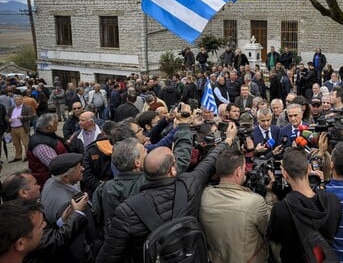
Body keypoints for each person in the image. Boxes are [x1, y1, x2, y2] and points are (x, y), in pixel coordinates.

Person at [95, 109, 237, 263]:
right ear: (138, 164)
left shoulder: (104, 190)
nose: (148, 148)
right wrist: (227, 141)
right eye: (145, 152)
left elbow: (108, 252)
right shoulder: (183, 185)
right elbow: (201, 164)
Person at [267, 148, 342, 263]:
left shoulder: (281, 209)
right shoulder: (333, 201)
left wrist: (270, 193)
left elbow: (274, 237)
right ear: (308, 169)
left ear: (285, 174)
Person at [200, 147, 272, 263]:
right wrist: (269, 195)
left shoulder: (204, 195)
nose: (246, 172)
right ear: (238, 171)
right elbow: (269, 229)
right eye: (244, 168)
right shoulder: (254, 202)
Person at [40, 153, 96, 261]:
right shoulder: (69, 203)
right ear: (66, 177)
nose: (83, 169)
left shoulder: (50, 182)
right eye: (78, 168)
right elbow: (77, 240)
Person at [26, 113, 68, 189]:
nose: (57, 124)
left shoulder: (48, 135)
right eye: (55, 123)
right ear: (49, 127)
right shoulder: (41, 145)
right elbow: (55, 165)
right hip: (51, 183)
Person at [7, 94, 34, 163]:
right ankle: (18, 156)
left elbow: (31, 116)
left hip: (22, 128)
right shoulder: (11, 108)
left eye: (20, 99)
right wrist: (8, 119)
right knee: (16, 143)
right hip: (13, 128)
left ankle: (28, 156)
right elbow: (6, 116)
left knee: (26, 143)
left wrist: (23, 117)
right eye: (16, 100)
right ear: (14, 101)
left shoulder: (27, 107)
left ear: (22, 100)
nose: (18, 101)